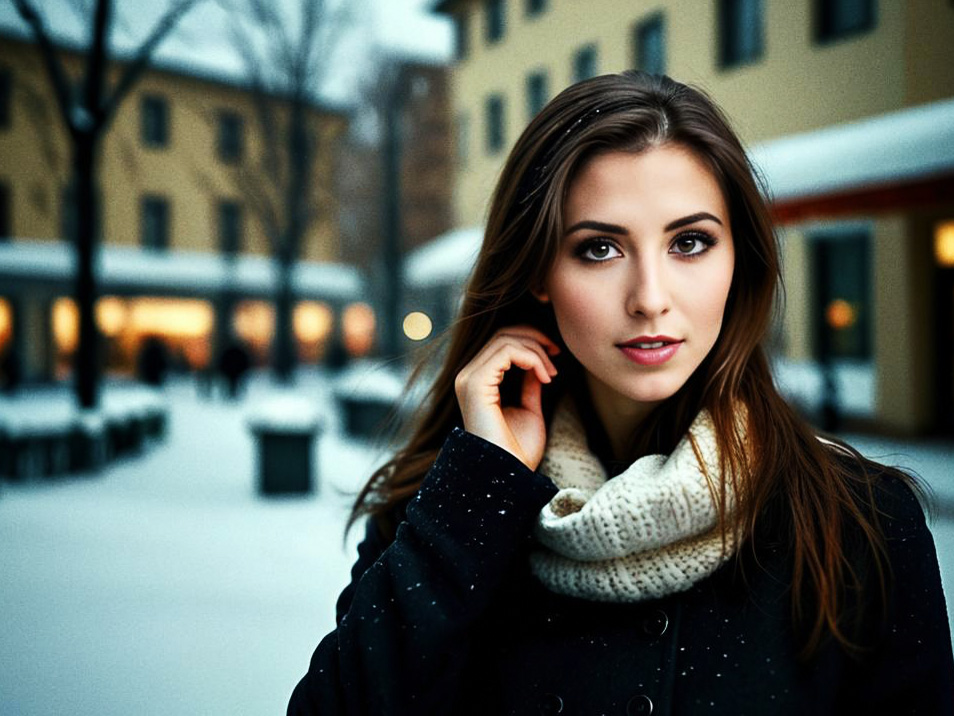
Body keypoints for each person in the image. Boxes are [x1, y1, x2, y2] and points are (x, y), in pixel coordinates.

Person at [288, 71, 954, 714]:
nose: (650, 300)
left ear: (738, 261)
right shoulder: (448, 508)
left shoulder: (861, 524)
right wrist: (478, 491)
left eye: (690, 243)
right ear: (539, 271)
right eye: (600, 249)